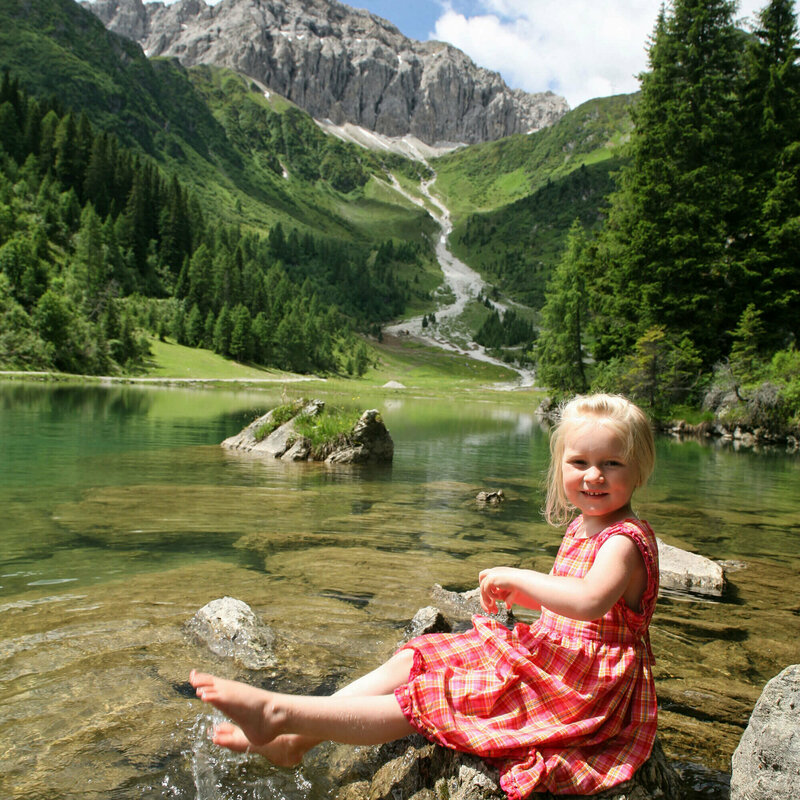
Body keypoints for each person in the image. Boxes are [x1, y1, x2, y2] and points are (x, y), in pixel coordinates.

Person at [190, 393, 659, 798]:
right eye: (579, 463)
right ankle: (296, 740)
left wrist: (520, 577)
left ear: (639, 470)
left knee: (436, 696)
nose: (593, 475)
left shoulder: (622, 540)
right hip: (557, 655)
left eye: (611, 464)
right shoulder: (585, 525)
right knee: (419, 656)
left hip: (584, 684)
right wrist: (522, 597)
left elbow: (590, 602)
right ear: (560, 467)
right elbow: (572, 606)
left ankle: (280, 712)